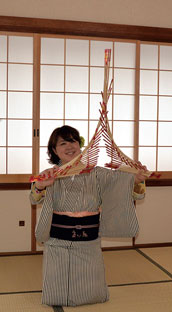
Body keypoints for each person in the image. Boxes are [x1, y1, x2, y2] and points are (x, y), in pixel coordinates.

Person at [29, 125, 146, 307]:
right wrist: (41, 185)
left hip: (88, 237)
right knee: (58, 281)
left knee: (90, 280)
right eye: (63, 143)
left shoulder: (97, 173)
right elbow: (34, 198)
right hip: (58, 237)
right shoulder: (50, 174)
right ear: (54, 150)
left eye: (73, 141)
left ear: (80, 145)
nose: (69, 146)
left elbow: (127, 188)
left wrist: (136, 179)